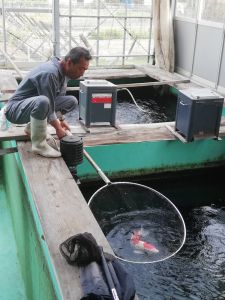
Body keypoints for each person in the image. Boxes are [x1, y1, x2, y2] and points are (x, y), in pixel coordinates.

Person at [5, 46, 92, 158]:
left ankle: (32, 127)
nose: (82, 74)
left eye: (85, 69)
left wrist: (61, 120)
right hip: (15, 110)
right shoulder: (50, 73)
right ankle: (39, 145)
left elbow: (57, 100)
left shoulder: (64, 72)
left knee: (71, 101)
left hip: (34, 106)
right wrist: (58, 129)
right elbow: (49, 105)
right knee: (43, 101)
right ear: (69, 62)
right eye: (81, 69)